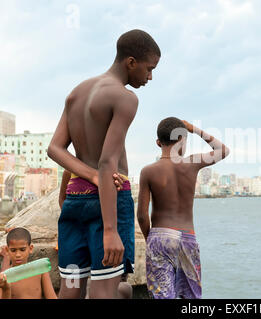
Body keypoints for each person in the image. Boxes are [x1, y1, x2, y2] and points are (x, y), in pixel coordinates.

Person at [47, 29, 160, 299]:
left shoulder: (77, 93)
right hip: (107, 203)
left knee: (70, 291)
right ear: (131, 62)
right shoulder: (125, 98)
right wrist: (110, 230)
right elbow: (108, 161)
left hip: (75, 202)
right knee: (103, 293)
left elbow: (54, 148)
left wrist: (90, 175)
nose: (150, 77)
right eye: (149, 68)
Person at [137, 117, 230, 299]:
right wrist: (194, 129)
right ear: (183, 140)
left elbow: (141, 215)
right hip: (188, 237)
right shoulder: (192, 163)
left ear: (158, 142)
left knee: (162, 295)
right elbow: (223, 150)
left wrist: (151, 239)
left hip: (160, 236)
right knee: (190, 297)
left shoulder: (148, 171)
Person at [58, 169, 132, 299]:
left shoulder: (70, 171)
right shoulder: (70, 171)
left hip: (94, 218)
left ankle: (122, 289)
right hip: (78, 221)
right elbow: (62, 199)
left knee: (92, 290)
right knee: (74, 289)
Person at [0, 227, 57, 299]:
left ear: (30, 248)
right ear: (7, 250)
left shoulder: (40, 270)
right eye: (13, 250)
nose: (18, 255)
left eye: (22, 249)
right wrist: (6, 289)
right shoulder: (6, 276)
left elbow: (51, 297)